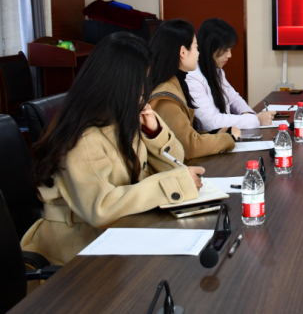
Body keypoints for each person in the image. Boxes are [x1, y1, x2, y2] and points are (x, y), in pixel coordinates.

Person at [22, 33, 204, 265]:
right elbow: (101, 208)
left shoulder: (124, 118)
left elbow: (176, 163)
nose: (143, 91)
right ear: (120, 84)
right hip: (77, 248)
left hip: (119, 232)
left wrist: (154, 132)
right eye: (140, 83)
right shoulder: (84, 138)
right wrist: (173, 184)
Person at [149, 19, 237, 159]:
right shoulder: (166, 96)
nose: (198, 53)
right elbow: (189, 146)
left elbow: (186, 136)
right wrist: (228, 138)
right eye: (196, 47)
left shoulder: (176, 83)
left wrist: (215, 134)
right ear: (183, 52)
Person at [186, 18, 274, 131]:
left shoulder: (216, 70)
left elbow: (233, 98)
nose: (229, 55)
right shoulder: (192, 77)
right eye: (226, 50)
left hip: (223, 135)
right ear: (210, 47)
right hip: (208, 138)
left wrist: (248, 114)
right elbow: (210, 123)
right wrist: (255, 120)